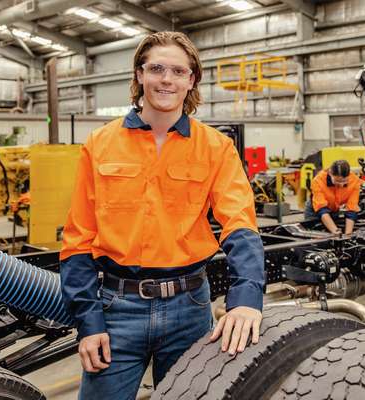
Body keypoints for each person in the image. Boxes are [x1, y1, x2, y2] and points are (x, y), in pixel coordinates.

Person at [59, 31, 265, 400]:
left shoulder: (215, 148)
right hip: (117, 309)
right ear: (139, 75)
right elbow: (78, 238)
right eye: (156, 68)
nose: (166, 79)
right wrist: (88, 323)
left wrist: (246, 298)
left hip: (190, 308)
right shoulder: (100, 144)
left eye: (177, 71)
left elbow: (240, 223)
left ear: (191, 80)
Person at [304, 159, 362, 235]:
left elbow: (351, 209)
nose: (341, 185)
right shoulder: (318, 181)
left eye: (344, 182)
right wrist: (335, 231)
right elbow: (322, 209)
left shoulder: (354, 181)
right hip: (315, 211)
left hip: (334, 209)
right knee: (315, 234)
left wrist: (348, 234)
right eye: (337, 181)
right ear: (330, 173)